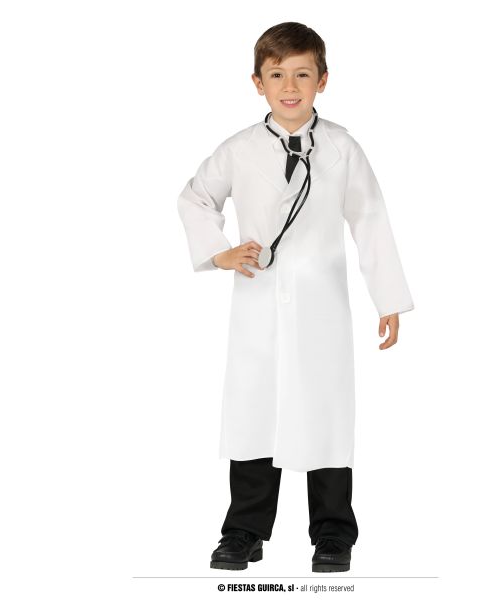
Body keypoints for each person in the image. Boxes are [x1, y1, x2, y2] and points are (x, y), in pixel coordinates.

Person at [176, 21, 414, 573]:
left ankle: (333, 534)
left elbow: (371, 221)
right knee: (254, 415)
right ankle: (243, 532)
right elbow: (195, 198)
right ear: (257, 82)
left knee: (325, 416)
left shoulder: (342, 148)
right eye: (277, 74)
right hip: (258, 305)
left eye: (302, 75)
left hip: (321, 306)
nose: (290, 86)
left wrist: (388, 300)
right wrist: (220, 253)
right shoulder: (238, 149)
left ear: (322, 80)